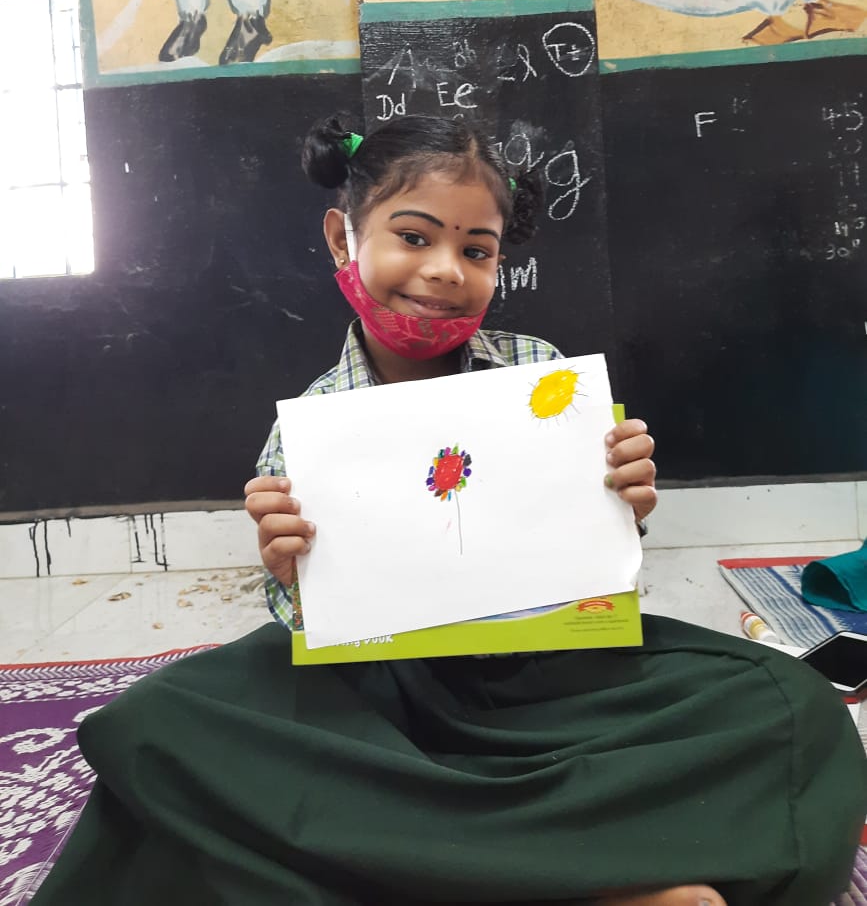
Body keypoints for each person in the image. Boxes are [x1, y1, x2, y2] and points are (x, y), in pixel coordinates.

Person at [32, 115, 866, 906]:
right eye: (413, 236)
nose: (444, 270)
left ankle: (425, 867)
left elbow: (594, 569)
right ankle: (590, 876)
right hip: (379, 696)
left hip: (542, 683)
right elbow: (306, 627)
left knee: (790, 707)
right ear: (342, 240)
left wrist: (623, 505)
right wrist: (289, 571)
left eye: (477, 249)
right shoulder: (312, 427)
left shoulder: (542, 378)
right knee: (159, 726)